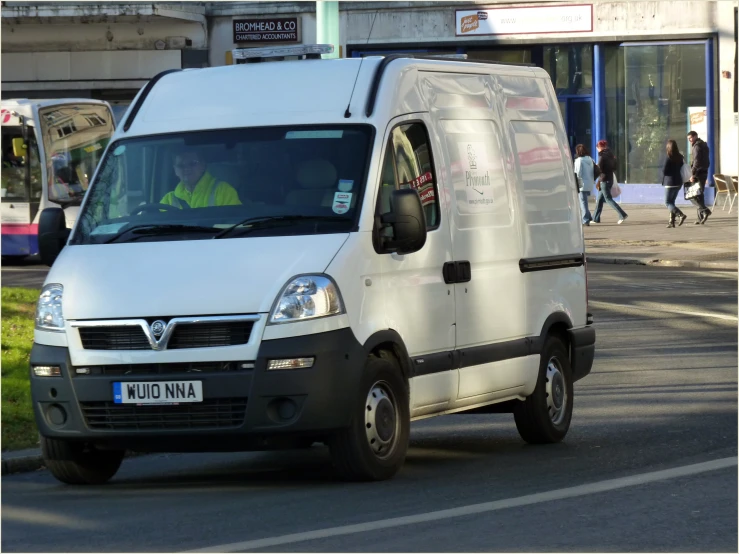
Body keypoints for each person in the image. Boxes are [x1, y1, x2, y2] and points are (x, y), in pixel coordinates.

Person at [160, 147, 241, 208]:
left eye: (192, 163)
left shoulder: (224, 191)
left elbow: (234, 224)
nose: (186, 168)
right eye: (181, 165)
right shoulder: (168, 200)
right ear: (175, 170)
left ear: (203, 166)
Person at [592, 139, 628, 225]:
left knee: (608, 199)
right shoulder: (611, 156)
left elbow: (598, 169)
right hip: (610, 178)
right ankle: (596, 218)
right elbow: (614, 167)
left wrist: (594, 177)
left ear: (600, 147)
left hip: (604, 180)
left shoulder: (602, 157)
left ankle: (622, 214)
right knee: (600, 199)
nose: (597, 149)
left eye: (597, 147)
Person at [662, 140, 688, 228]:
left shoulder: (668, 157)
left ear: (668, 147)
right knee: (672, 202)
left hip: (670, 182)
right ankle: (671, 222)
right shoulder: (680, 157)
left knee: (667, 202)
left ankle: (680, 215)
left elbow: (664, 171)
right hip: (678, 182)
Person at [687, 131, 711, 225]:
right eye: (688, 139)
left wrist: (692, 174)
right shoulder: (704, 145)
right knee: (699, 194)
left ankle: (705, 211)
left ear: (695, 136)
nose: (690, 140)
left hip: (698, 173)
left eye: (691, 138)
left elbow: (696, 161)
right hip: (704, 172)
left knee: (693, 195)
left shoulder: (697, 146)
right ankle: (701, 217)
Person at [573, 144, 595, 226]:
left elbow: (578, 173)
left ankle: (585, 219)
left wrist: (575, 181)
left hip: (581, 183)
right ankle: (589, 216)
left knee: (582, 202)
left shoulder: (579, 160)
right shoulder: (590, 159)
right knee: (584, 201)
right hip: (589, 182)